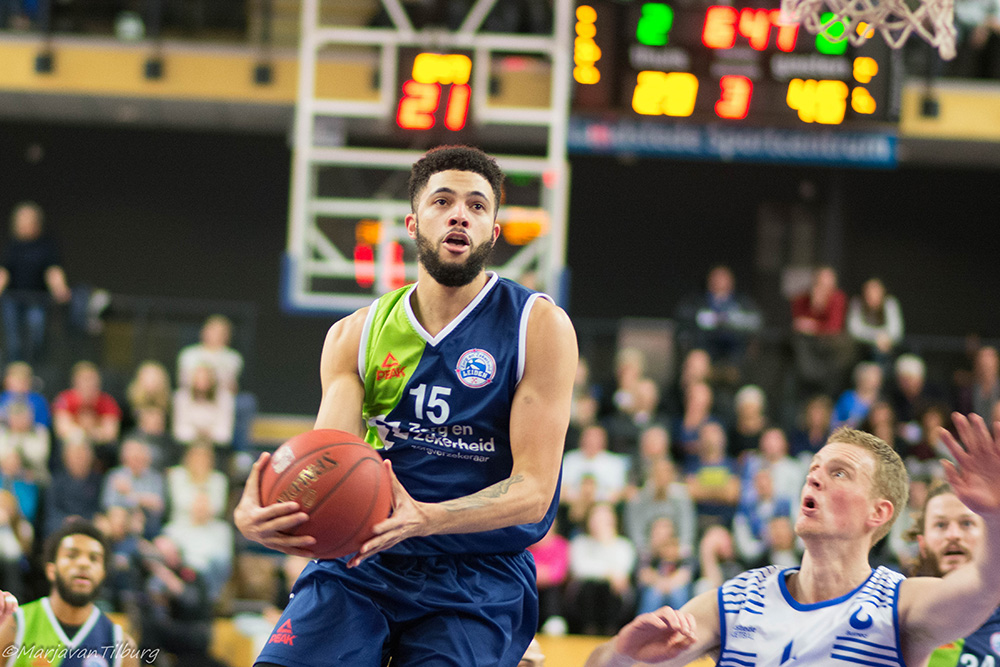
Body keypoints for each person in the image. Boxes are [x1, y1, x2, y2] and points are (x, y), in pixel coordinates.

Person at [234, 145, 577, 667]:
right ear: (414, 224)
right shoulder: (356, 334)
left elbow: (533, 492)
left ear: (494, 232)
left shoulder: (538, 326)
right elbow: (331, 458)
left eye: (478, 206)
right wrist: (264, 510)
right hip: (365, 557)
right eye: (443, 201)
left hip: (477, 572)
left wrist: (428, 518)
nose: (460, 213)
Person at [584, 414, 1000, 667]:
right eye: (814, 467)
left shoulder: (901, 604)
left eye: (839, 472)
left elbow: (984, 586)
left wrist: (997, 516)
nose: (814, 476)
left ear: (879, 513)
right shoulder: (736, 601)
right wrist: (622, 653)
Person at [0, 518, 143, 667]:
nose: (83, 563)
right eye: (72, 555)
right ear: (51, 570)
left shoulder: (121, 645)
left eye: (93, 558)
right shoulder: (15, 625)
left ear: (103, 574)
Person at [905, 480, 1000, 667]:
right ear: (922, 544)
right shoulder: (899, 615)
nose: (953, 535)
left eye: (966, 523)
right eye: (940, 525)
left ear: (988, 538)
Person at [0, 202, 71, 364]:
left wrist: (60, 289)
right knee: (14, 339)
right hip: (13, 298)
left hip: (37, 299)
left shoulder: (47, 245)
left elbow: (53, 271)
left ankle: (34, 367)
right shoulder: (12, 245)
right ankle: (14, 369)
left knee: (35, 332)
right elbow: (4, 271)